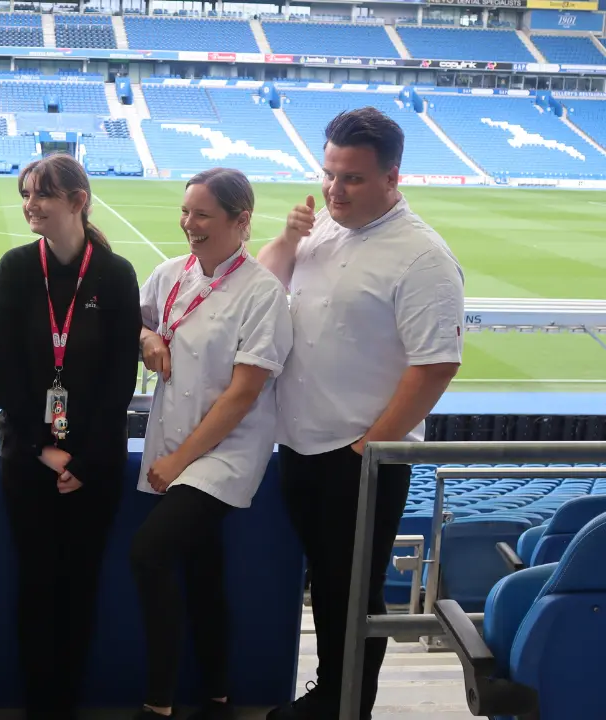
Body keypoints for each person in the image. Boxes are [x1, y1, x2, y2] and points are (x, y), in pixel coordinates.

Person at [258, 108, 464, 720]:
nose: (333, 188)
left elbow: (435, 366)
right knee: (328, 585)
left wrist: (369, 448)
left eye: (350, 178)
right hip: (298, 445)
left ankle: (346, 705)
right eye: (328, 173)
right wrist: (292, 237)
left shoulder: (422, 256)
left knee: (351, 594)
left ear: (392, 177)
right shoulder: (324, 227)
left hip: (360, 457)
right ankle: (331, 693)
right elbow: (265, 288)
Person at [131, 168, 294, 720]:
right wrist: (147, 336)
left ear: (240, 221)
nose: (188, 224)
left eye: (202, 214)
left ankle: (157, 704)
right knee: (201, 567)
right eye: (186, 211)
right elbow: (140, 321)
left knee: (149, 552)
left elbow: (244, 393)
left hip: (224, 452)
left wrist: (178, 461)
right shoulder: (169, 274)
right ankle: (218, 694)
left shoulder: (262, 293)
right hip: (174, 439)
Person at [0, 154, 141, 720]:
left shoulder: (117, 274)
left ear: (78, 200)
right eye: (27, 193)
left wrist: (85, 459)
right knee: (36, 589)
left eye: (43, 195)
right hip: (29, 463)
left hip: (94, 468)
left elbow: (120, 379)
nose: (30, 204)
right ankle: (40, 707)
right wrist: (44, 450)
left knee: (79, 592)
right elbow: (4, 371)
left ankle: (67, 704)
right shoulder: (16, 267)